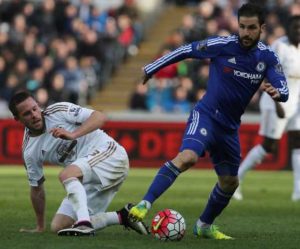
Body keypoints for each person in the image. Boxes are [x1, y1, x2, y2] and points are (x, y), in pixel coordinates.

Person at [128, 3, 289, 239]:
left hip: (229, 128)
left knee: (230, 182)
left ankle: (203, 225)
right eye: (242, 26)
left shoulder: (267, 56)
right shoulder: (222, 45)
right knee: (188, 157)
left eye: (251, 27)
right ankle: (143, 204)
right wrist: (152, 67)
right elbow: (186, 50)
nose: (245, 32)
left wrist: (279, 93)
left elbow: (282, 83)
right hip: (206, 116)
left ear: (262, 28)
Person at [9, 91, 148, 236]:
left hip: (111, 155)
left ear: (38, 105)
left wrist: (73, 135)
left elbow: (99, 117)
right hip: (88, 175)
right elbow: (36, 189)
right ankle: (123, 217)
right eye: (26, 113)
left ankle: (84, 225)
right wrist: (40, 226)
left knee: (66, 174)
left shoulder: (58, 111)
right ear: (17, 118)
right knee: (60, 226)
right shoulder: (29, 150)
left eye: (35, 109)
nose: (34, 115)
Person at [233, 15, 300, 201]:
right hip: (275, 102)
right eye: (295, 27)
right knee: (268, 146)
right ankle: (235, 180)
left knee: (298, 142)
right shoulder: (280, 46)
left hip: (296, 102)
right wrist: (278, 102)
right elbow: (266, 74)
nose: (298, 31)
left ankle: (298, 191)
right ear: (287, 28)